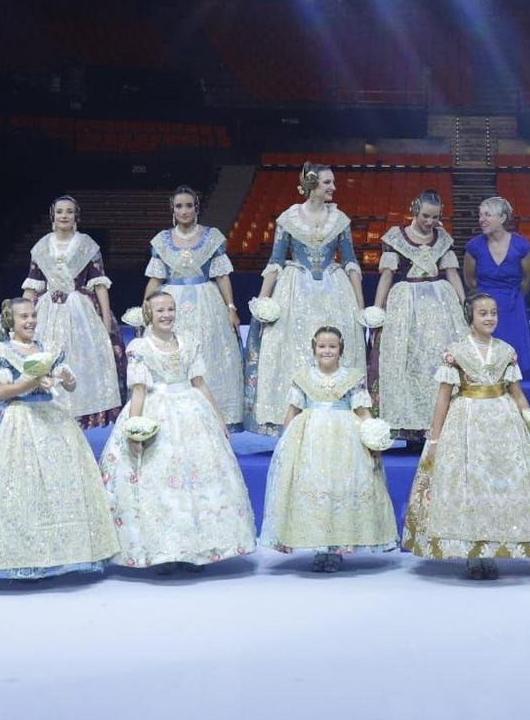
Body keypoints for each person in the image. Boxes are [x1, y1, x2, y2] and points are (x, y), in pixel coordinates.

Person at [0, 297, 118, 581]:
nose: (31, 321)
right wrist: (31, 381)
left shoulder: (45, 349)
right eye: (24, 317)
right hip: (15, 420)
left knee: (56, 487)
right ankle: (13, 556)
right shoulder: (1, 352)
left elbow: (68, 383)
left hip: (50, 419)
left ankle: (58, 555)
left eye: (33, 315)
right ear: (11, 321)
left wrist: (66, 380)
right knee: (16, 487)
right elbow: (2, 391)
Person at [402, 293, 530, 577]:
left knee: (498, 485)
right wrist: (435, 439)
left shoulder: (506, 351)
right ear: (470, 317)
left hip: (503, 422)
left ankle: (494, 547)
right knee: (470, 484)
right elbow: (443, 398)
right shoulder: (456, 352)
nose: (490, 318)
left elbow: (518, 394)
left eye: (493, 313)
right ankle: (472, 552)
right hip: (467, 423)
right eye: (483, 313)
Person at [100, 290, 257, 572]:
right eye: (160, 310)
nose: (166, 315)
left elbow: (199, 382)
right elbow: (138, 391)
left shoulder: (188, 342)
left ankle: (198, 550)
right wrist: (134, 430)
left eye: (170, 309)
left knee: (197, 480)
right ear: (150, 313)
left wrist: (219, 419)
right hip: (156, 412)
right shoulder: (140, 347)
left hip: (192, 411)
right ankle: (165, 551)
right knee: (161, 481)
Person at [242, 162, 365, 436]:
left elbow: (350, 262)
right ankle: (290, 419)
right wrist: (263, 302)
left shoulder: (340, 219)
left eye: (332, 182)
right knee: (289, 348)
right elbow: (275, 261)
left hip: (334, 291)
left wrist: (360, 307)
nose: (333, 187)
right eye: (327, 183)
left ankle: (335, 416)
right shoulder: (289, 219)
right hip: (295, 290)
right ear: (311, 185)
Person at [262, 326, 398, 572]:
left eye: (332, 347)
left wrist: (372, 437)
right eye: (322, 346)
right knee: (316, 486)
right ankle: (319, 545)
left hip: (345, 440)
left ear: (341, 349)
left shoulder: (352, 377)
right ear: (314, 348)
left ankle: (336, 547)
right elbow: (292, 411)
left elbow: (362, 410)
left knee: (340, 487)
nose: (327, 351)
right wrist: (284, 444)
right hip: (310, 439)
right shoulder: (303, 377)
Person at [143, 186, 243, 431]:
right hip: (171, 303)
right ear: (173, 210)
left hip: (207, 302)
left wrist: (230, 307)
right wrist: (145, 308)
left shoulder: (212, 237)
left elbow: (222, 277)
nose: (184, 211)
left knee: (209, 354)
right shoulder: (162, 241)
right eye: (179, 206)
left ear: (196, 208)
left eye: (189, 205)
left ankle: (214, 416)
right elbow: (155, 279)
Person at [369, 190, 465, 440]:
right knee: (407, 361)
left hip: (439, 305)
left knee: (435, 360)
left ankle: (436, 426)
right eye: (426, 216)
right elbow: (387, 276)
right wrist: (377, 310)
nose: (430, 222)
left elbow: (452, 273)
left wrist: (465, 305)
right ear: (414, 210)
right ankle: (408, 427)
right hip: (405, 304)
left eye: (435, 217)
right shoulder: (396, 238)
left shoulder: (442, 238)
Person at [22, 196, 124, 428]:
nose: (64, 216)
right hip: (48, 310)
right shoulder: (41, 246)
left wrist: (106, 320)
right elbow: (32, 284)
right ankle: (48, 407)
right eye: (60, 212)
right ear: (53, 215)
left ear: (75, 216)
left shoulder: (87, 245)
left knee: (79, 359)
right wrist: (21, 314)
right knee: (47, 355)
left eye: (69, 212)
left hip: (80, 311)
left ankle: (81, 412)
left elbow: (99, 284)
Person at [462, 195, 530, 367]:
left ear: (502, 218)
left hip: (513, 306)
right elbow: (470, 281)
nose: (482, 220)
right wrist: (485, 300)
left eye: (487, 215)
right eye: (480, 215)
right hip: (483, 307)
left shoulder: (521, 245)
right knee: (485, 358)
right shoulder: (474, 246)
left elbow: (528, 279)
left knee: (514, 358)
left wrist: (512, 297)